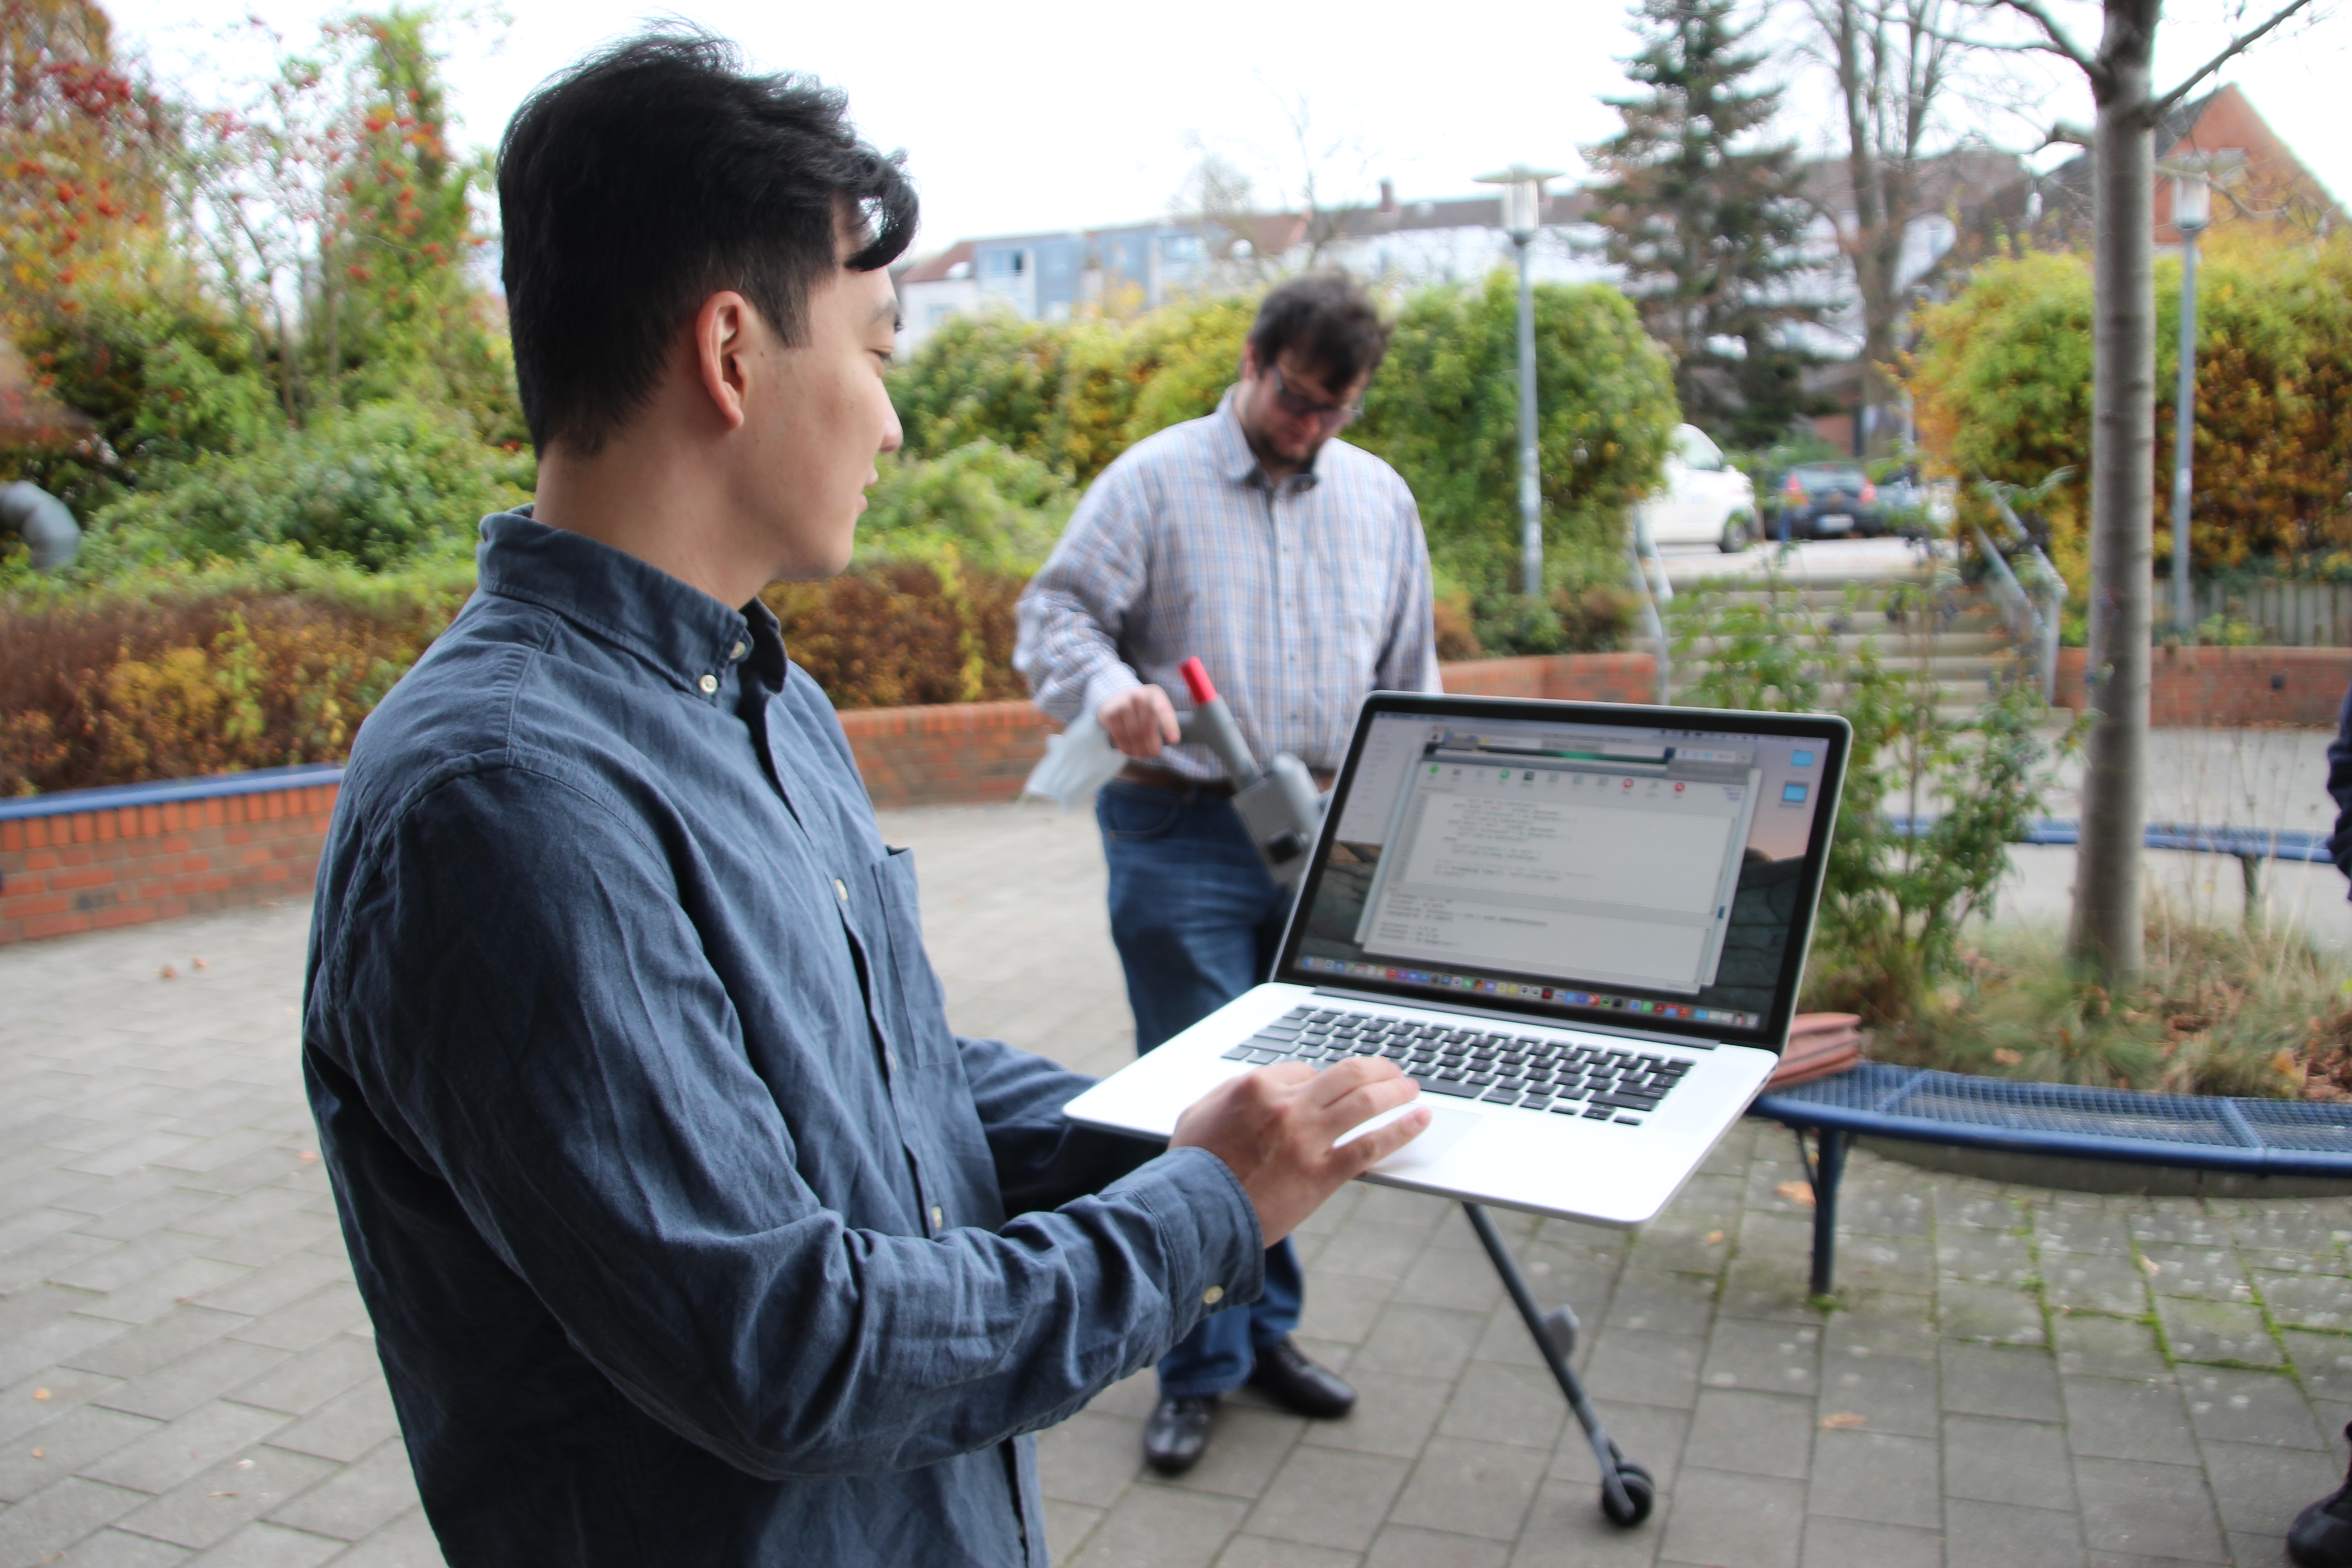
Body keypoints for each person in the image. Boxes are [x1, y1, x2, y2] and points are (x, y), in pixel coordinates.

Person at [301, 35, 1427, 1568]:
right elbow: (789, 1350)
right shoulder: (506, 803)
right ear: (730, 352)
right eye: (881, 351)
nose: (894, 421)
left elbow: (885, 1079)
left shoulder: (759, 696)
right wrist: (1202, 1210)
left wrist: (1198, 1128)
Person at [1013, 273, 1440, 1475]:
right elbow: (1055, 616)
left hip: (1324, 830)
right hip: (1182, 829)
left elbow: (1413, 678)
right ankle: (1199, 1362)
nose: (1311, 428)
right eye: (1298, 400)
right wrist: (1111, 690)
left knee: (1299, 1102)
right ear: (1256, 362)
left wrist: (1409, 832)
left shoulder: (1380, 498)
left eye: (1333, 412)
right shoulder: (1152, 481)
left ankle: (1262, 1336)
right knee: (1212, 1109)